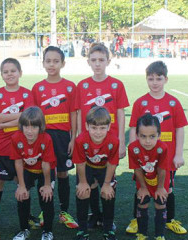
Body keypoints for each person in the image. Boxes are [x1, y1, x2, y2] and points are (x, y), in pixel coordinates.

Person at [125, 61, 188, 235]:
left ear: (165, 79)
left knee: (167, 188)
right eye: (151, 78)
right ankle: (136, 220)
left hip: (167, 157)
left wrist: (179, 154)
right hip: (143, 156)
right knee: (141, 187)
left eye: (158, 78)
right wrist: (132, 149)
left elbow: (180, 129)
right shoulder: (140, 103)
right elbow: (133, 127)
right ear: (146, 79)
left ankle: (169, 220)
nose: (155, 82)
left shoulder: (174, 103)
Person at [74, 43, 129, 230]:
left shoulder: (116, 85)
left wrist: (121, 140)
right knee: (90, 182)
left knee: (108, 180)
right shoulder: (82, 85)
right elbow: (79, 113)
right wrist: (78, 136)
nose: (97, 64)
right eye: (94, 60)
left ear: (108, 61)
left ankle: (107, 219)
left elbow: (120, 113)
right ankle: (95, 215)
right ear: (88, 62)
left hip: (109, 143)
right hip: (88, 142)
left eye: (101, 60)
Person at [32, 46, 78, 229]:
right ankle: (45, 209)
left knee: (62, 173)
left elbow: (74, 114)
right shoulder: (37, 87)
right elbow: (33, 116)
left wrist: (73, 138)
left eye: (55, 61)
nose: (51, 64)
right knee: (45, 174)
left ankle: (64, 212)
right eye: (48, 61)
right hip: (43, 137)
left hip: (63, 137)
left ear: (62, 63)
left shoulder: (69, 86)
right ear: (43, 63)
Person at [0, 58, 35, 227]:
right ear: (1, 75)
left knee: (22, 182)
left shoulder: (27, 93)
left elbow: (29, 117)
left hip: (22, 147)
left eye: (13, 71)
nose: (9, 74)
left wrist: (4, 124)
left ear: (20, 73)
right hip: (1, 147)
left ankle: (27, 216)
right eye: (6, 72)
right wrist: (19, 116)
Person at [73, 107, 120, 240]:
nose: (98, 132)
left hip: (105, 168)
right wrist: (82, 183)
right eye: (94, 128)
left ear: (109, 126)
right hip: (87, 167)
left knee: (108, 193)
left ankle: (108, 228)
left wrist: (106, 184)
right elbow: (80, 163)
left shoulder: (114, 141)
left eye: (102, 128)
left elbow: (112, 163)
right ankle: (82, 230)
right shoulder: (80, 140)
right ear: (87, 126)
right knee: (82, 192)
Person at [11, 107, 56, 240]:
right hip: (27, 169)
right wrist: (21, 185)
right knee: (22, 195)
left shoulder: (46, 138)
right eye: (26, 127)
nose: (29, 131)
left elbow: (46, 164)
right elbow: (18, 162)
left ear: (40, 126)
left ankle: (48, 231)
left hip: (44, 170)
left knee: (47, 196)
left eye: (34, 127)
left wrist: (47, 185)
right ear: (22, 126)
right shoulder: (16, 138)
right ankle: (24, 229)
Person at [129, 113, 170, 240]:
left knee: (160, 202)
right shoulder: (132, 148)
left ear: (159, 135)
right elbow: (137, 168)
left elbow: (162, 169)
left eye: (152, 136)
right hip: (143, 180)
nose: (147, 141)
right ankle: (142, 233)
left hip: (160, 180)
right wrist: (142, 187)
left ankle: (160, 235)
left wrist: (160, 187)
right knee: (142, 201)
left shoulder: (162, 148)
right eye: (143, 136)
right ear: (137, 136)